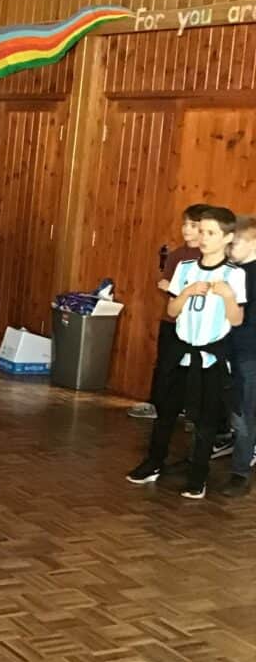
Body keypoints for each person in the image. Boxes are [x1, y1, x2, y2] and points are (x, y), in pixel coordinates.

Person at [126, 206, 247, 500]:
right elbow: (172, 310)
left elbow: (236, 320)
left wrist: (228, 298)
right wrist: (185, 293)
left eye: (211, 233)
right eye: (201, 231)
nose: (203, 238)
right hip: (181, 352)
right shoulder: (186, 268)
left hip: (210, 357)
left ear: (226, 238)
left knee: (206, 419)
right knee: (166, 412)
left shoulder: (234, 275)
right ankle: (153, 462)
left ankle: (198, 476)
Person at [128, 204, 209, 419]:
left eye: (193, 225)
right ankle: (158, 405)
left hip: (197, 324)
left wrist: (175, 288)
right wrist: (172, 288)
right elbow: (167, 285)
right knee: (165, 364)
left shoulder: (209, 256)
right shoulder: (177, 255)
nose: (187, 229)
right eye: (185, 224)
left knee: (195, 368)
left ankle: (188, 409)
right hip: (172, 320)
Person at [222, 214, 256, 497]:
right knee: (236, 408)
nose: (230, 248)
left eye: (236, 243)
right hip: (231, 347)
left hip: (249, 351)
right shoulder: (233, 272)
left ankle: (240, 471)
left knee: (244, 411)